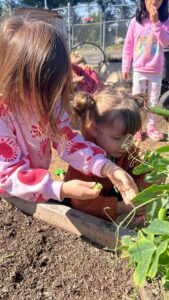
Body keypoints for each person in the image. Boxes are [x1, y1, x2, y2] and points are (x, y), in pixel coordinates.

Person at [0, 17, 138, 205]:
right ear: (17, 80)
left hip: (34, 188)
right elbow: (8, 175)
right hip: (8, 194)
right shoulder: (3, 114)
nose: (51, 100)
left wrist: (106, 167)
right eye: (45, 89)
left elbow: (67, 141)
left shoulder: (48, 101)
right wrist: (60, 188)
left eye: (55, 89)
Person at [65, 90, 149, 221]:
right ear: (94, 129)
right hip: (83, 217)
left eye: (130, 137)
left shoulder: (126, 149)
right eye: (117, 137)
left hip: (112, 198)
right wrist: (121, 207)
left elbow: (142, 172)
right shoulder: (82, 158)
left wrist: (138, 196)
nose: (125, 144)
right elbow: (80, 203)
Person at [122, 0, 169, 141]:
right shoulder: (135, 22)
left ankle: (151, 127)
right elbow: (128, 46)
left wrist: (156, 23)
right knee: (138, 100)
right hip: (139, 69)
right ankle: (137, 127)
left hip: (156, 70)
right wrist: (125, 66)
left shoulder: (165, 21)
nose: (154, 1)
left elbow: (165, 42)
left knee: (153, 101)